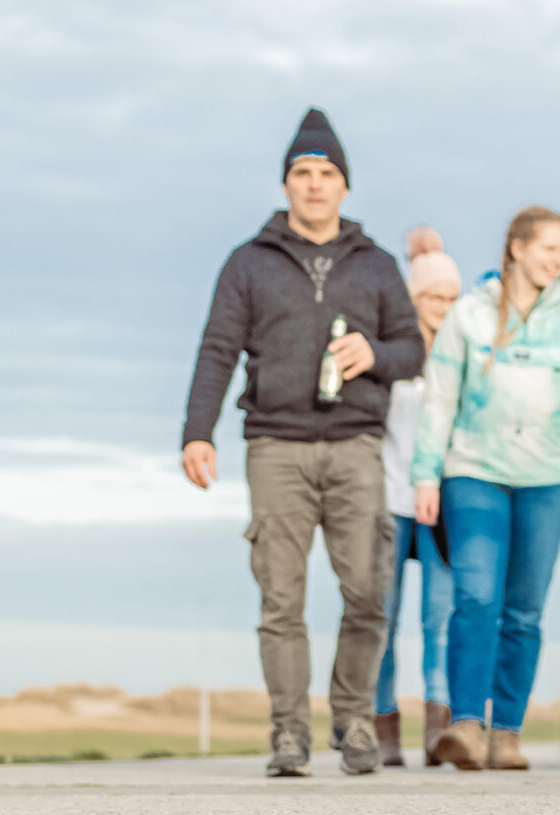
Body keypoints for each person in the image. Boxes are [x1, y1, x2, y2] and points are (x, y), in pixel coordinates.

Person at [180, 108, 425, 777]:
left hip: (355, 446)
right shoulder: (247, 263)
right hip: (275, 446)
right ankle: (289, 734)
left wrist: (374, 353)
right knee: (280, 599)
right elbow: (217, 351)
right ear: (286, 184)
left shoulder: (375, 266)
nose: (315, 185)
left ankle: (352, 722)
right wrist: (197, 433)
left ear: (345, 186)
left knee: (369, 590)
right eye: (302, 173)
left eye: (326, 173)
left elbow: (413, 350)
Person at [412, 206, 560, 771]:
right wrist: (426, 474)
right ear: (516, 248)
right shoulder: (468, 315)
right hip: (474, 474)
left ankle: (507, 733)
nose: (558, 259)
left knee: (522, 610)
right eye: (549, 247)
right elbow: (439, 399)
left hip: (548, 482)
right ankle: (466, 725)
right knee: (475, 597)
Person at [372, 227, 462, 767]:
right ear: (412, 300)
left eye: (451, 299)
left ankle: (439, 728)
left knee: (441, 619)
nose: (443, 309)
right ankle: (381, 727)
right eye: (433, 298)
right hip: (387, 498)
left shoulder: (463, 360)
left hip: (443, 504)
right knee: (381, 616)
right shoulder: (393, 357)